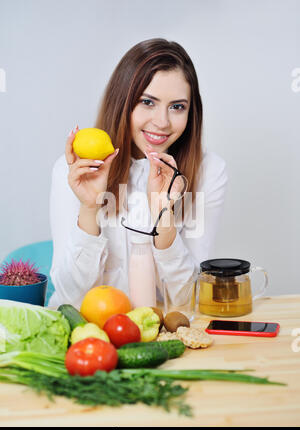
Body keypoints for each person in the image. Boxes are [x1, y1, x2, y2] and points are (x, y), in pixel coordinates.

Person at [48, 38, 228, 309]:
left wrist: (163, 219)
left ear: (192, 112)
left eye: (177, 106)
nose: (162, 122)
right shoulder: (74, 170)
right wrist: (89, 208)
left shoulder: (208, 171)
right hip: (88, 338)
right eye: (147, 102)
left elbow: (188, 301)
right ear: (122, 101)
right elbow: (69, 299)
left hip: (157, 337)